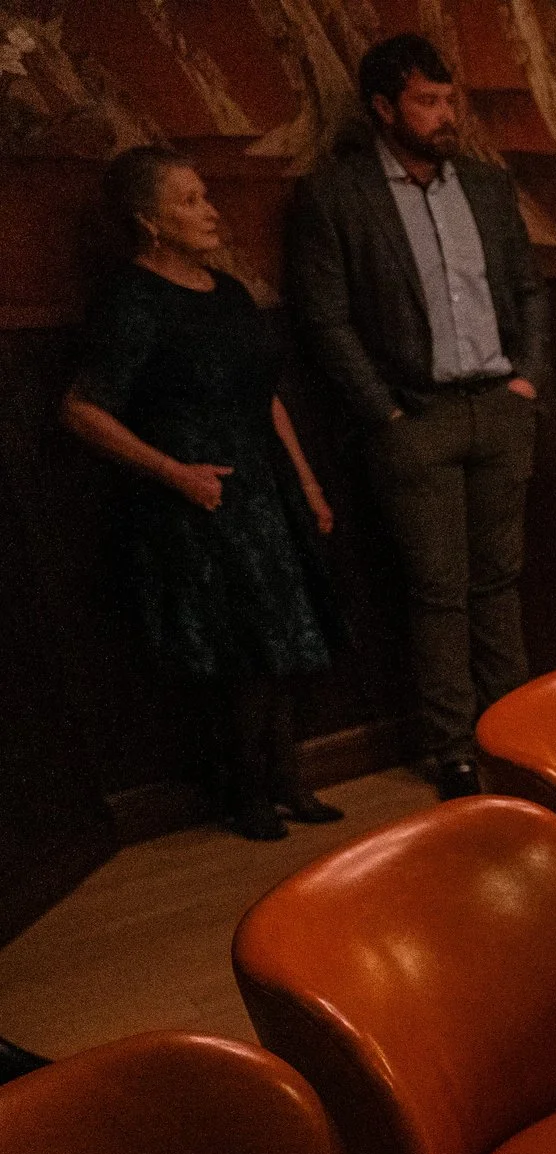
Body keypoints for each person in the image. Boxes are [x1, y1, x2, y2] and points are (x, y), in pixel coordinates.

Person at [286, 33, 547, 801]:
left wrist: (528, 381)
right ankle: (454, 750)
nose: (445, 115)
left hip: (500, 406)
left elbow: (530, 290)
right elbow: (324, 319)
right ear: (383, 108)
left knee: (501, 580)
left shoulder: (488, 187)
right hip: (416, 417)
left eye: (448, 99)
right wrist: (386, 413)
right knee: (438, 593)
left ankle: (516, 731)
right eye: (427, 102)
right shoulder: (339, 194)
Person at [62, 147, 340, 842]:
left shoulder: (230, 292)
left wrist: (305, 481)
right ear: (148, 221)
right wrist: (174, 472)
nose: (209, 210)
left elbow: (264, 394)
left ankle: (287, 779)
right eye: (188, 200)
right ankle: (245, 791)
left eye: (206, 194)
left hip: (262, 488)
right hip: (198, 500)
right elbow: (81, 409)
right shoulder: (130, 298)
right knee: (240, 654)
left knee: (281, 644)